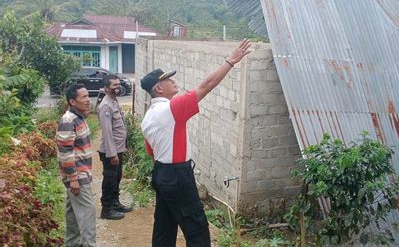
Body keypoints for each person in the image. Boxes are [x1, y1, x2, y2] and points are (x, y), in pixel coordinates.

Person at [140, 39, 252, 246]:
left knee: (164, 228)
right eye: (168, 80)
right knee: (197, 229)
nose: (173, 81)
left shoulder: (149, 116)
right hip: (177, 176)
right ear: (159, 89)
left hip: (161, 174)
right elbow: (206, 86)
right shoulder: (171, 109)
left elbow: (151, 151)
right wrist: (230, 61)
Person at [56, 83, 96, 247]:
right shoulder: (68, 120)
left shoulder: (79, 117)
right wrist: (73, 178)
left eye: (88, 96)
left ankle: (72, 244)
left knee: (72, 216)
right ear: (72, 101)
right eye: (83, 97)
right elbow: (65, 153)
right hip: (77, 176)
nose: (88, 100)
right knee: (87, 214)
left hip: (80, 174)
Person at [97, 74, 133, 220]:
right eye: (114, 85)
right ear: (106, 88)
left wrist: (124, 146)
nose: (118, 87)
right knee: (109, 180)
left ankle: (115, 203)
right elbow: (107, 133)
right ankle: (106, 209)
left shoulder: (114, 101)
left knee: (117, 178)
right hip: (110, 152)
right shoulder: (105, 106)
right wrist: (112, 154)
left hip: (118, 149)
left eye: (118, 84)